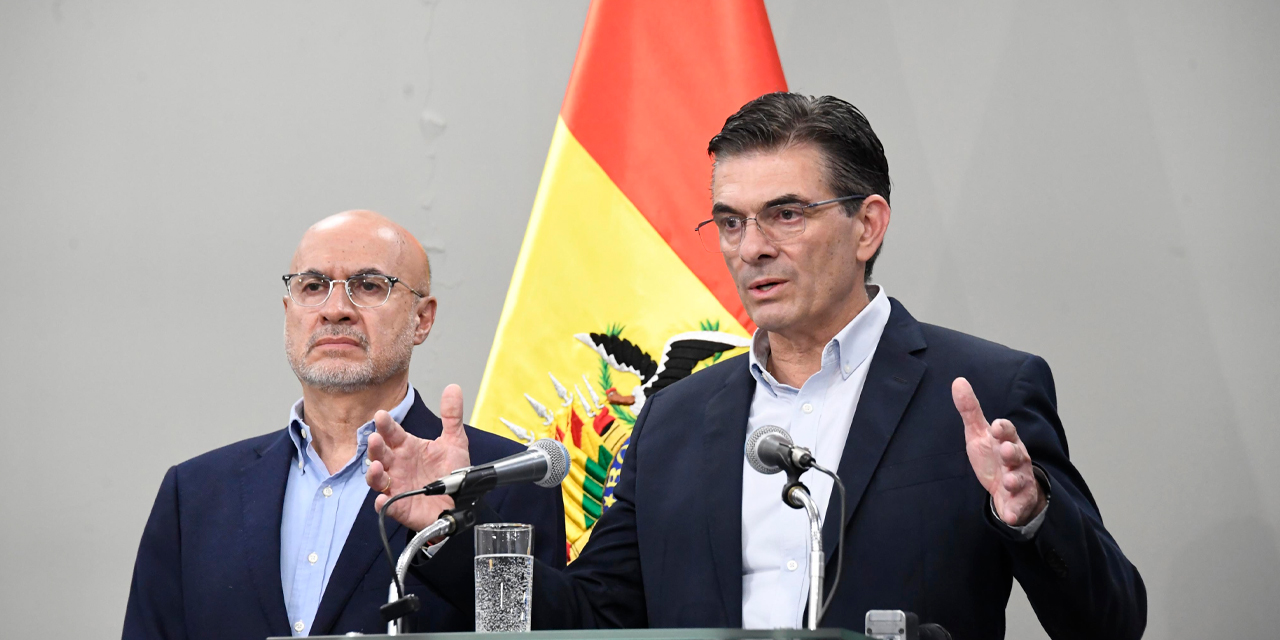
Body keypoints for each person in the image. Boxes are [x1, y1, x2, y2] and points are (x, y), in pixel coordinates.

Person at [365, 94, 1147, 639]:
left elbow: (1110, 622)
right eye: (731, 222)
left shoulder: (980, 391)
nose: (752, 248)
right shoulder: (676, 417)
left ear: (867, 224)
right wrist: (447, 536)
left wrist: (1032, 516)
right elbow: (596, 617)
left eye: (785, 213)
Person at [123, 210, 565, 639]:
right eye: (313, 286)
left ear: (422, 319)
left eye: (369, 286)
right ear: (288, 310)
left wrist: (450, 537)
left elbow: (534, 633)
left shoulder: (507, 479)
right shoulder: (195, 493)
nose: (335, 309)